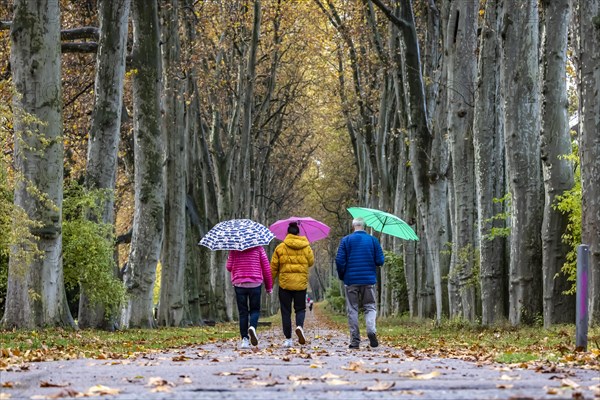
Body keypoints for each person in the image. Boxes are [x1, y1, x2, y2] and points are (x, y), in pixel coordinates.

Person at [335, 217, 385, 349]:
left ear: (353, 227)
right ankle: (371, 330)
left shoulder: (346, 240)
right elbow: (380, 261)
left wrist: (343, 276)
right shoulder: (373, 240)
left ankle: (355, 341)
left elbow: (339, 260)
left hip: (351, 280)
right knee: (370, 306)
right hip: (368, 280)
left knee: (353, 309)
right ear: (365, 226)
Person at [271, 222, 315, 348]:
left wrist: (270, 282)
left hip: (285, 285)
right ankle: (299, 326)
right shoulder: (306, 247)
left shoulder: (280, 247)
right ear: (298, 233)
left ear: (287, 233)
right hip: (300, 284)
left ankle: (288, 339)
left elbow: (273, 267)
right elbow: (311, 262)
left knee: (286, 311)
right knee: (300, 309)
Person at [226, 245, 273, 349]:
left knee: (243, 312)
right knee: (255, 310)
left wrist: (230, 257)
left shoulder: (234, 248)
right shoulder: (259, 248)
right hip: (255, 283)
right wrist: (269, 287)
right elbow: (266, 268)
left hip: (239, 284)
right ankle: (252, 327)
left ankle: (245, 340)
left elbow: (229, 267)